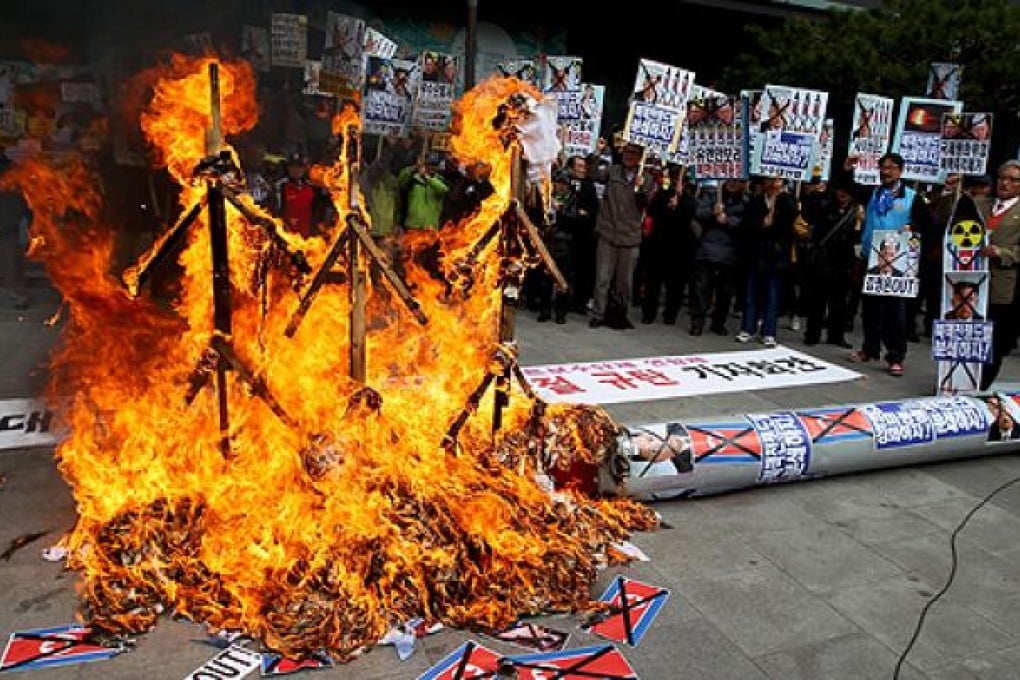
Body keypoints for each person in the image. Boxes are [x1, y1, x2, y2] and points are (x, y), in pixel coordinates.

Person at [845, 152, 930, 377]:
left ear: (900, 171)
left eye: (891, 168)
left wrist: (912, 227)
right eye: (883, 167)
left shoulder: (912, 197)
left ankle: (896, 356)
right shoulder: (872, 192)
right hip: (871, 256)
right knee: (870, 308)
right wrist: (847, 169)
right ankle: (869, 349)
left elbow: (927, 223)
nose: (886, 172)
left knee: (895, 311)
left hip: (897, 260)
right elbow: (850, 188)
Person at [590, 142, 653, 329]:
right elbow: (593, 174)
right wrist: (597, 153)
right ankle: (598, 314)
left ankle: (620, 314)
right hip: (608, 232)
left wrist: (641, 188)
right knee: (602, 278)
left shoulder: (646, 178)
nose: (628, 155)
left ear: (640, 157)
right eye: (626, 151)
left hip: (630, 236)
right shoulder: (612, 171)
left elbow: (647, 202)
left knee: (624, 282)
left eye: (633, 153)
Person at [734, 176, 796, 348]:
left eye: (776, 180)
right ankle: (748, 328)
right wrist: (762, 223)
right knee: (751, 294)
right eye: (769, 180)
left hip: (776, 256)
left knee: (772, 296)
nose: (772, 184)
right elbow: (747, 225)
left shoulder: (788, 201)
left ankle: (769, 332)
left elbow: (787, 226)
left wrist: (774, 211)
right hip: (756, 254)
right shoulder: (756, 201)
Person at [976, 159, 1020, 388]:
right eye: (1003, 178)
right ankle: (957, 381)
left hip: (1002, 286)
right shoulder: (979, 204)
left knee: (994, 342)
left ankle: (981, 386)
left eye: (1013, 180)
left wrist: (1002, 253)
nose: (1006, 183)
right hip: (970, 282)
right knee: (968, 335)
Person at [272, 153, 332, 238]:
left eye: (299, 167)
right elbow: (276, 211)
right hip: (287, 236)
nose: (296, 170)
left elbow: (322, 207)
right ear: (288, 168)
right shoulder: (280, 186)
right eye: (293, 167)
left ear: (304, 169)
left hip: (309, 235)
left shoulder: (313, 187)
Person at [0, 159, 30, 310]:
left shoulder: (13, 188)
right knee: (13, 265)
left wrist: (26, 228)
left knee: (13, 266)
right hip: (9, 229)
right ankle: (18, 296)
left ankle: (19, 297)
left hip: (8, 230)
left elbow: (25, 208)